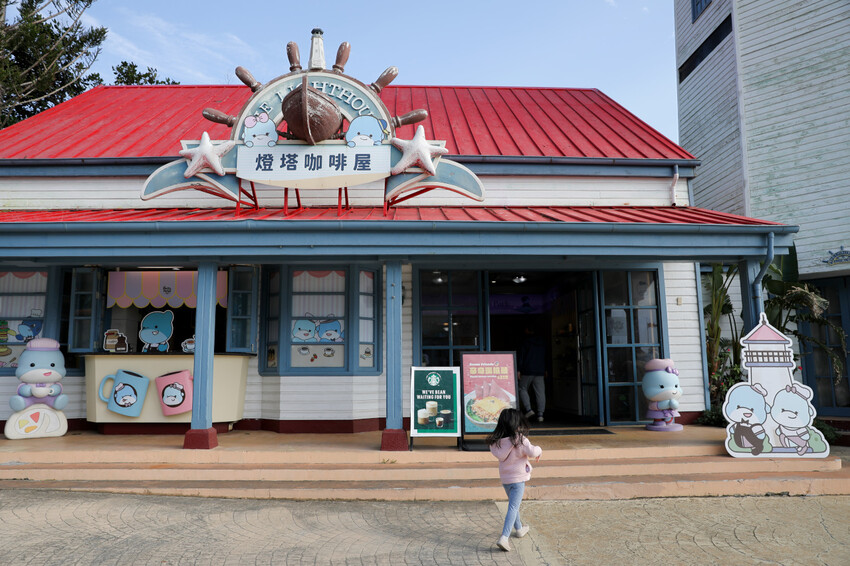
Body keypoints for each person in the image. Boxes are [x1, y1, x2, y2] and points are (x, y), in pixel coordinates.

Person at [487, 408, 543, 552]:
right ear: (516, 423)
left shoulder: (497, 442)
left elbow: (496, 452)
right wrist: (540, 450)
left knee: (514, 504)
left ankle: (519, 528)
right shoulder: (520, 439)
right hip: (518, 479)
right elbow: (533, 451)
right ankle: (504, 538)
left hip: (505, 478)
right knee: (513, 506)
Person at [517, 326, 546, 422]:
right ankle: (540, 415)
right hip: (540, 370)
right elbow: (546, 356)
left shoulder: (525, 342)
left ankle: (528, 409)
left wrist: (519, 369)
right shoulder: (542, 342)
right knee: (540, 392)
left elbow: (521, 356)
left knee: (522, 388)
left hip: (527, 370)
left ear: (528, 330)